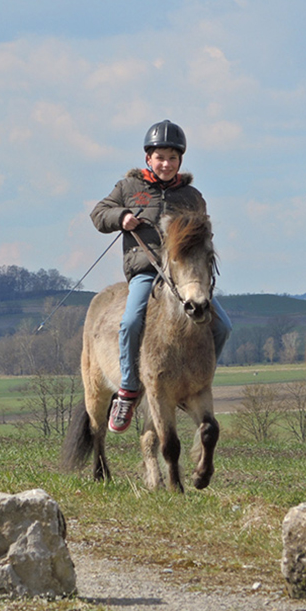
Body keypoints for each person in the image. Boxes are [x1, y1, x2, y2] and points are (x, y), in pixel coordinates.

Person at [91, 119, 232, 434]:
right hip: (146, 271)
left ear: (180, 160)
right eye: (160, 157)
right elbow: (99, 214)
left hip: (182, 276)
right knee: (130, 321)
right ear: (148, 159)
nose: (166, 163)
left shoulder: (192, 196)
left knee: (223, 326)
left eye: (172, 157)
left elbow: (202, 233)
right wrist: (122, 216)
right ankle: (128, 390)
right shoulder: (129, 188)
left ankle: (196, 380)